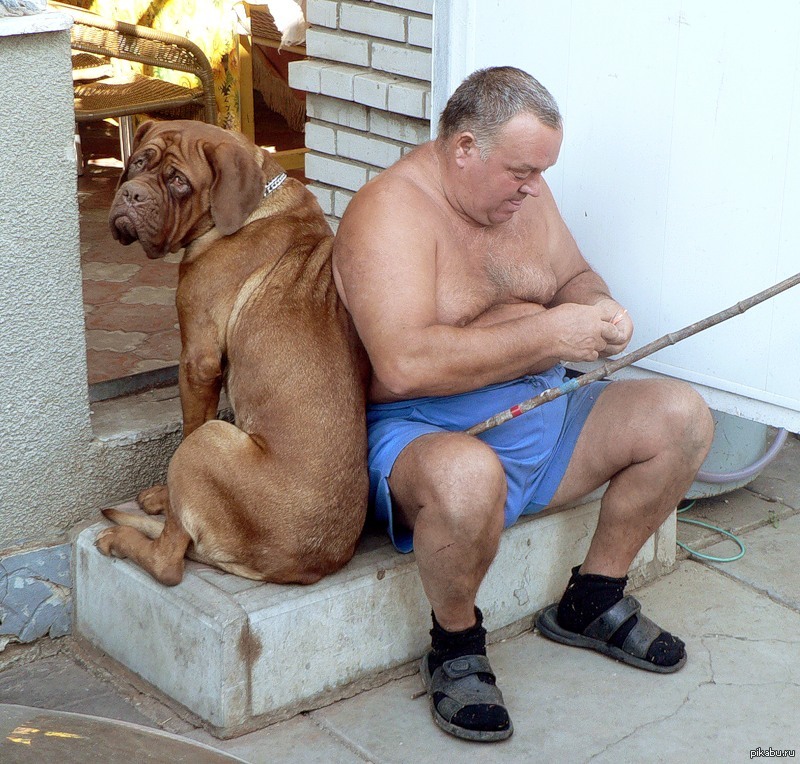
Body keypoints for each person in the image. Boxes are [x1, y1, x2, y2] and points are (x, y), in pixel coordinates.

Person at [332, 66, 714, 743]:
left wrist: (598, 308)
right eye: (520, 170)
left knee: (683, 416)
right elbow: (404, 363)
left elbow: (572, 275)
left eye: (542, 171)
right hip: (433, 434)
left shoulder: (523, 196)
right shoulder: (388, 211)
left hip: (544, 416)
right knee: (467, 475)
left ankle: (592, 601)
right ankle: (455, 647)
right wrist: (546, 332)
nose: (533, 187)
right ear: (464, 148)